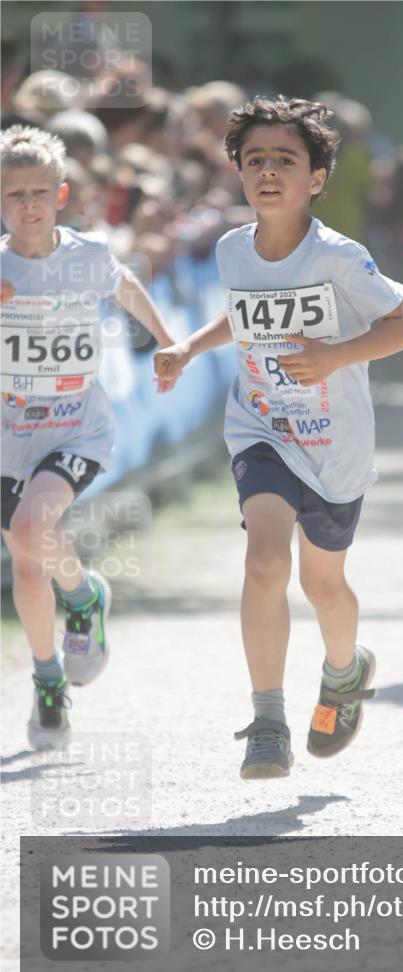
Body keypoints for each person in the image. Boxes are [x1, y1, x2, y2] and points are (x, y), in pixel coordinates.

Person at [155, 96, 403, 780]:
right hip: (261, 429)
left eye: (286, 160)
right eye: (255, 161)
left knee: (323, 585)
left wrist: (334, 356)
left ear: (317, 179)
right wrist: (188, 346)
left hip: (335, 443)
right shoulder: (229, 248)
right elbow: (242, 319)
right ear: (238, 174)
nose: (269, 172)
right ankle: (268, 720)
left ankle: (344, 671)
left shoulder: (339, 256)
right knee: (266, 562)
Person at [1, 124, 177, 749]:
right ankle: (49, 682)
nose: (27, 204)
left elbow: (128, 288)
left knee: (29, 531)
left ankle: (79, 598)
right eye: (15, 193)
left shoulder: (88, 255)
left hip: (77, 428)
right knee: (26, 563)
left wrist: (167, 341)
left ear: (62, 195)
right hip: (7, 438)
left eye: (39, 192)